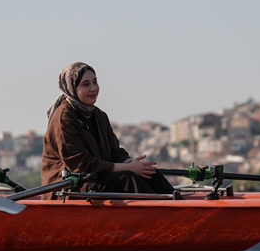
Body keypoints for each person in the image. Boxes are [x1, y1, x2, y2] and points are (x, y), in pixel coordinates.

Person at [41, 62, 173, 193]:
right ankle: (160, 213)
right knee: (127, 179)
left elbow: (114, 152)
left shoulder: (99, 115)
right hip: (72, 187)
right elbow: (81, 164)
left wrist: (132, 164)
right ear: (72, 89)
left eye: (95, 82)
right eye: (86, 84)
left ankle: (180, 210)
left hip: (98, 178)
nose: (93, 88)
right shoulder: (64, 117)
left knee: (150, 174)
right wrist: (128, 168)